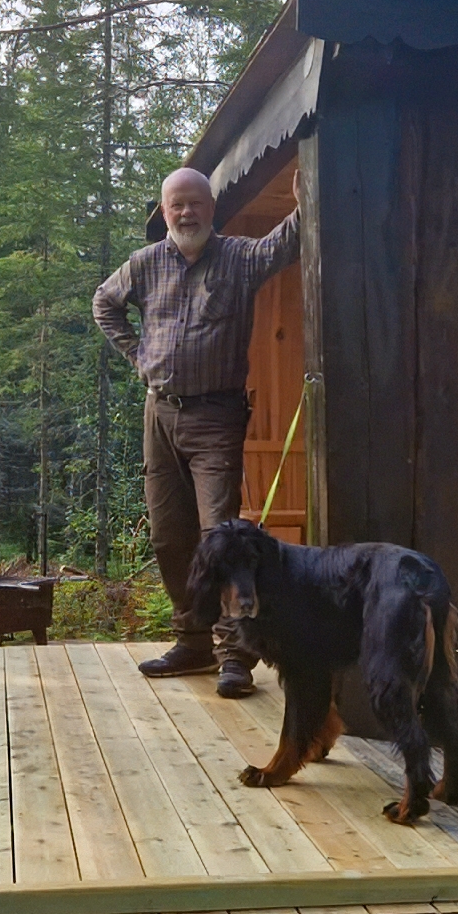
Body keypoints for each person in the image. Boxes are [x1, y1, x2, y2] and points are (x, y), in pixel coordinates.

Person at [92, 165, 301, 697]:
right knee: (169, 535)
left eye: (195, 204)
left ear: (213, 208)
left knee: (221, 537)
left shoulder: (239, 259)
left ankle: (236, 653)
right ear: (164, 212)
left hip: (217, 416)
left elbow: (286, 243)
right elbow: (104, 303)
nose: (186, 213)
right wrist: (138, 356)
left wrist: (307, 198)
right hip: (159, 414)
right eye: (176, 205)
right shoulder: (144, 265)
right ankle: (193, 642)